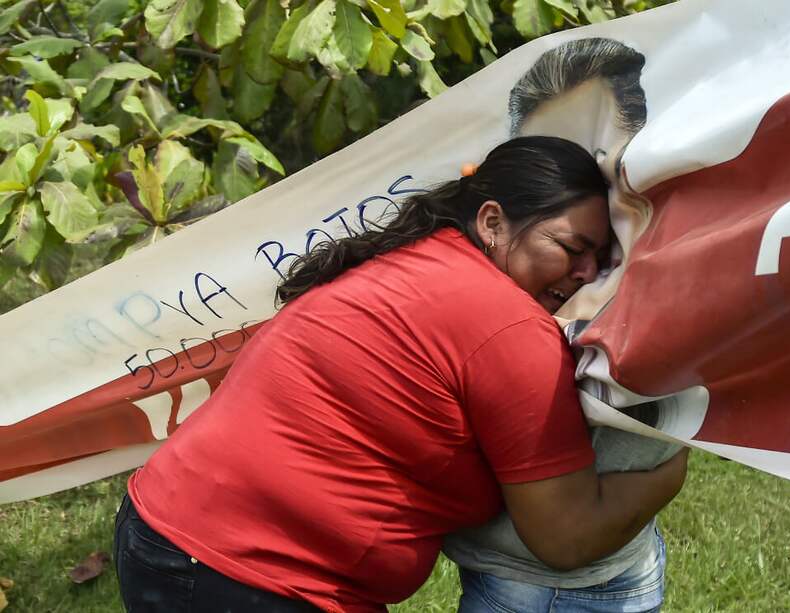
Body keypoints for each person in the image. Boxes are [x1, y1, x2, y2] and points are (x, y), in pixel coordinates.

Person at [113, 135, 688, 612]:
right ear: (492, 221)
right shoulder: (508, 327)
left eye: (601, 260)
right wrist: (671, 465)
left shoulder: (416, 258)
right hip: (248, 575)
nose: (586, 274)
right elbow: (566, 535)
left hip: (163, 529)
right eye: (571, 248)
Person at [442, 39, 686, 613]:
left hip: (613, 562)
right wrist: (669, 474)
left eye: (598, 174)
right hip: (531, 578)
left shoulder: (673, 273)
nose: (576, 204)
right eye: (549, 171)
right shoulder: (490, 305)